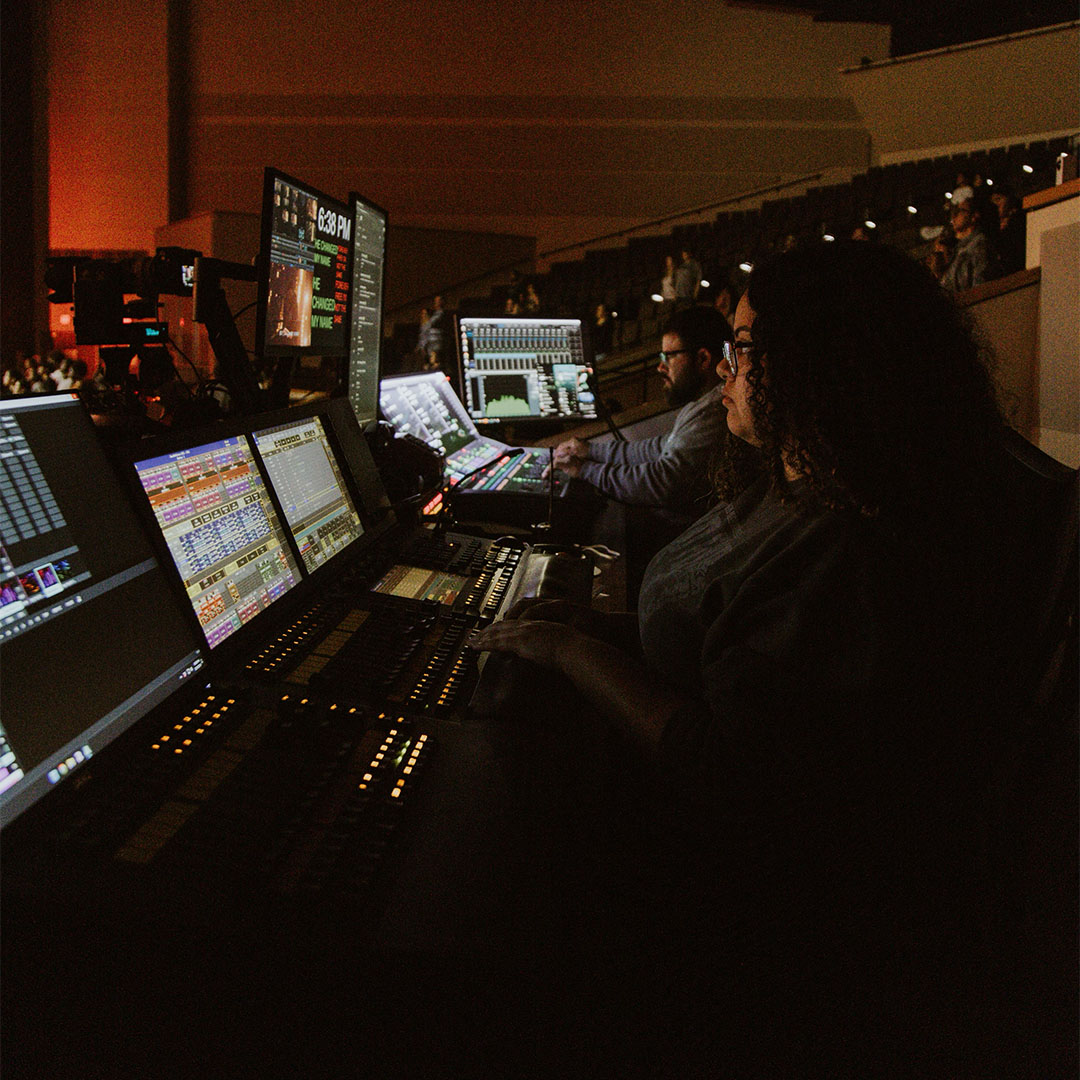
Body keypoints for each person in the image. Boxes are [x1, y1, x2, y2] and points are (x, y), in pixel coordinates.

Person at [473, 240, 1019, 1071]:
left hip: (737, 924)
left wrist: (569, 651)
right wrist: (600, 631)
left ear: (818, 366)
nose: (724, 370)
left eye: (744, 349)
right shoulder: (799, 478)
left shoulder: (846, 553)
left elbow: (724, 772)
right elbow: (716, 634)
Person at [549, 305, 733, 516]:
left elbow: (663, 483)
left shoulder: (716, 411)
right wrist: (590, 450)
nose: (660, 367)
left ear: (703, 359)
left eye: (669, 356)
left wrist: (583, 469)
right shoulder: (701, 403)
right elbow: (655, 448)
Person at [940, 197, 999, 291]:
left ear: (974, 216)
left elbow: (981, 284)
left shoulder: (979, 244)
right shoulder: (959, 249)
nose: (954, 215)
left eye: (960, 211)